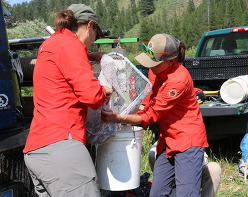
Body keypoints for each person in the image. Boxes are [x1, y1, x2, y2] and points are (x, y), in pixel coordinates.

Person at [102, 33, 209, 197]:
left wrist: (120, 118)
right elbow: (149, 99)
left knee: (186, 194)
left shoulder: (178, 80)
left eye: (155, 64)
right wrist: (136, 107)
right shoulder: (156, 70)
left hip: (188, 141)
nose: (151, 67)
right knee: (157, 193)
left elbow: (150, 116)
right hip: (167, 139)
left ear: (171, 60)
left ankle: (207, 178)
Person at [23, 4, 112, 196]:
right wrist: (106, 90)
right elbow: (92, 96)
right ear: (89, 25)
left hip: (38, 150)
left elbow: (60, 68)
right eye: (94, 37)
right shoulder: (71, 45)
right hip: (62, 148)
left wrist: (87, 56)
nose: (91, 44)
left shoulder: (52, 43)